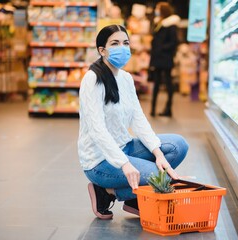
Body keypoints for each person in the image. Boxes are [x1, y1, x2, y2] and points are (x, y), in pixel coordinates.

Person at [78, 24, 189, 220]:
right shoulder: (92, 80)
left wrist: (157, 153)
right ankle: (105, 192)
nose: (122, 47)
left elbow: (138, 119)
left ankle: (127, 197)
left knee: (178, 146)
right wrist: (125, 164)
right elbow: (97, 130)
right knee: (160, 178)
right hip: (100, 160)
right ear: (101, 50)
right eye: (115, 43)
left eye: (125, 43)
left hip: (126, 146)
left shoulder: (126, 79)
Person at [149, 2, 180, 117]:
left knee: (168, 83)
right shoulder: (159, 23)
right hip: (158, 58)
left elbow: (174, 42)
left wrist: (160, 49)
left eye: (158, 8)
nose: (156, 10)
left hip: (165, 58)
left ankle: (168, 109)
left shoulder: (170, 25)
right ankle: (153, 109)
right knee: (157, 83)